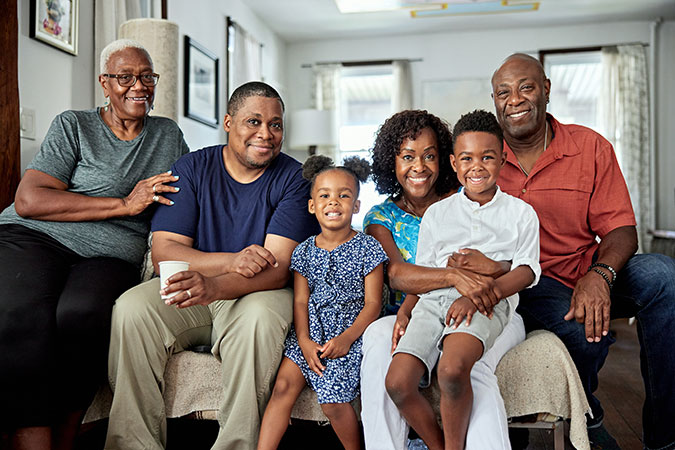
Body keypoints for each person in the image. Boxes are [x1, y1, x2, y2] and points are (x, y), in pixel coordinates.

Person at [104, 81, 319, 450]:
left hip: (259, 293)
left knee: (258, 319)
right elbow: (165, 252)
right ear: (228, 122)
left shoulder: (295, 180)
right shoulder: (191, 168)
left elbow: (278, 268)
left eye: (276, 125)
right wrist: (232, 261)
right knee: (132, 309)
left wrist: (215, 284)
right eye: (253, 122)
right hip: (195, 288)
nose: (266, 134)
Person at [0, 39, 188, 450]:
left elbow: (193, 191)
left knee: (84, 314)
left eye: (146, 77)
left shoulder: (167, 135)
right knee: (21, 311)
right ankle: (33, 437)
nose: (138, 86)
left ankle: (69, 427)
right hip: (34, 236)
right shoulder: (74, 125)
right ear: (105, 83)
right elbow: (29, 200)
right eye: (125, 77)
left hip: (110, 251)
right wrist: (125, 203)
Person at [492, 53, 675, 450]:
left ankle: (665, 439)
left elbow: (622, 229)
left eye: (525, 87)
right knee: (583, 332)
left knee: (663, 277)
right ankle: (587, 415)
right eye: (503, 93)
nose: (515, 100)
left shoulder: (589, 146)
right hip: (530, 281)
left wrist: (600, 275)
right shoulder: (484, 159)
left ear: (546, 90)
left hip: (586, 266)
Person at [361, 109, 526, 450]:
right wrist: (453, 276)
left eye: (429, 156)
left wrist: (484, 275)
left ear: (446, 160)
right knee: (379, 343)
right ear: (390, 162)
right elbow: (396, 274)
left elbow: (509, 262)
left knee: (470, 367)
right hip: (417, 310)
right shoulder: (381, 216)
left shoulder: (468, 197)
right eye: (407, 157)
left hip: (483, 303)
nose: (419, 167)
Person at [258, 155, 388, 450]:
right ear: (312, 205)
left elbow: (373, 304)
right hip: (310, 334)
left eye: (344, 196)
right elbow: (301, 301)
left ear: (356, 206)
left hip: (350, 335)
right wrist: (303, 339)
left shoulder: (369, 247)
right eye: (325, 196)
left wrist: (345, 339)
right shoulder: (303, 251)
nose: (334, 202)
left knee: (332, 402)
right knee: (282, 388)